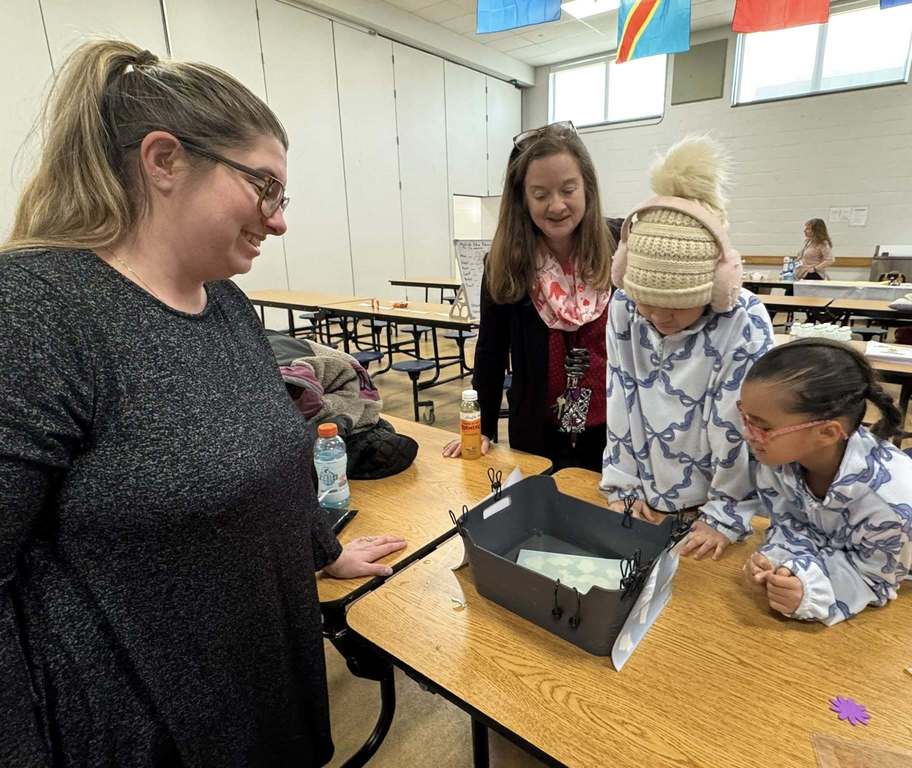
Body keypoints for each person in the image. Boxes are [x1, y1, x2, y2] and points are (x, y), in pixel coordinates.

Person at [0, 40, 405, 766]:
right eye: (265, 187)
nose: (279, 221)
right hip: (142, 728)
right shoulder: (35, 314)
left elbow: (270, 460)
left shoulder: (223, 303)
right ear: (164, 161)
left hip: (261, 688)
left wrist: (323, 548)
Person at [739, 339, 912, 626]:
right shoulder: (782, 458)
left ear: (828, 433)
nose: (748, 434)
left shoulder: (894, 505)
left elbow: (872, 578)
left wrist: (810, 594)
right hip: (872, 544)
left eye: (763, 427)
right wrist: (781, 562)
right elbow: (793, 522)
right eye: (745, 418)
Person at [600, 135, 774, 560]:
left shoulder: (743, 322)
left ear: (717, 287)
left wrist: (724, 514)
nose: (659, 317)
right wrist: (624, 486)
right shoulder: (624, 307)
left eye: (676, 306)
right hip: (646, 495)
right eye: (647, 303)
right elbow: (620, 399)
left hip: (711, 505)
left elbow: (738, 427)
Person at [442, 121, 617, 470]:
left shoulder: (618, 246)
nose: (556, 206)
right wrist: (483, 428)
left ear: (588, 189)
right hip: (538, 432)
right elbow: (490, 352)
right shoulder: (508, 262)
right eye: (540, 195)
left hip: (615, 432)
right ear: (523, 199)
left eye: (569, 189)